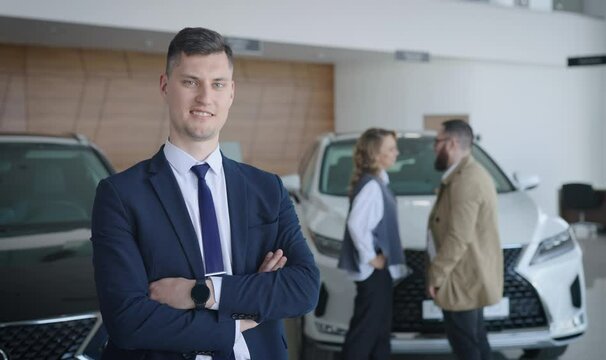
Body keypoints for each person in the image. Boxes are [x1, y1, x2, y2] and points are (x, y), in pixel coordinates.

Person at [91, 27, 320, 360]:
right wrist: (240, 318)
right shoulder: (120, 195)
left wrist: (202, 293)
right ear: (165, 87)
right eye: (190, 82)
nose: (204, 98)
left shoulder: (267, 189)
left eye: (217, 84)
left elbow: (304, 289)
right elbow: (128, 321)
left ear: (231, 93)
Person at [426, 119, 503, 360]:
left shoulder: (466, 180)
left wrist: (436, 275)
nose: (434, 148)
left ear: (451, 143)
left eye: (437, 142)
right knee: (475, 340)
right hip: (465, 277)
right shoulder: (465, 174)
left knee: (467, 346)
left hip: (461, 279)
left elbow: (459, 237)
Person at [337, 128, 406, 360]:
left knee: (378, 332)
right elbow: (356, 224)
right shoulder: (372, 186)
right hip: (373, 273)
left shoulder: (378, 182)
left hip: (379, 272)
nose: (396, 152)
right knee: (365, 333)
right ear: (376, 154)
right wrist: (370, 257)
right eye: (391, 149)